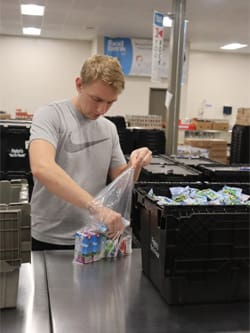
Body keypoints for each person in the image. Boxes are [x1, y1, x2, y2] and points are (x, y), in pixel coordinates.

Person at [29, 54, 152, 251]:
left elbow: (120, 182)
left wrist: (134, 164)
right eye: (96, 99)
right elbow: (42, 167)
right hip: (50, 237)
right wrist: (96, 208)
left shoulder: (108, 128)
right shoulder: (51, 115)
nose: (102, 109)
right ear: (79, 84)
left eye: (110, 102)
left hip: (93, 236)